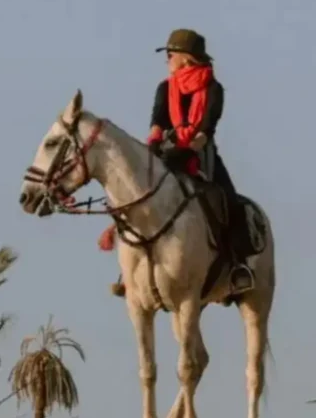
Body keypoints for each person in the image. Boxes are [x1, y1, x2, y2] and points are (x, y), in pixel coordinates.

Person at [100, 29, 254, 294]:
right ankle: (128, 271)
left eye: (170, 55)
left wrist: (191, 148)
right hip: (166, 151)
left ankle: (238, 266)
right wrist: (154, 143)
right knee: (136, 194)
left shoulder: (213, 89)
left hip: (200, 150)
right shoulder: (165, 88)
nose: (167, 60)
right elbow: (157, 121)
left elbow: (207, 127)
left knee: (231, 201)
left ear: (186, 58)